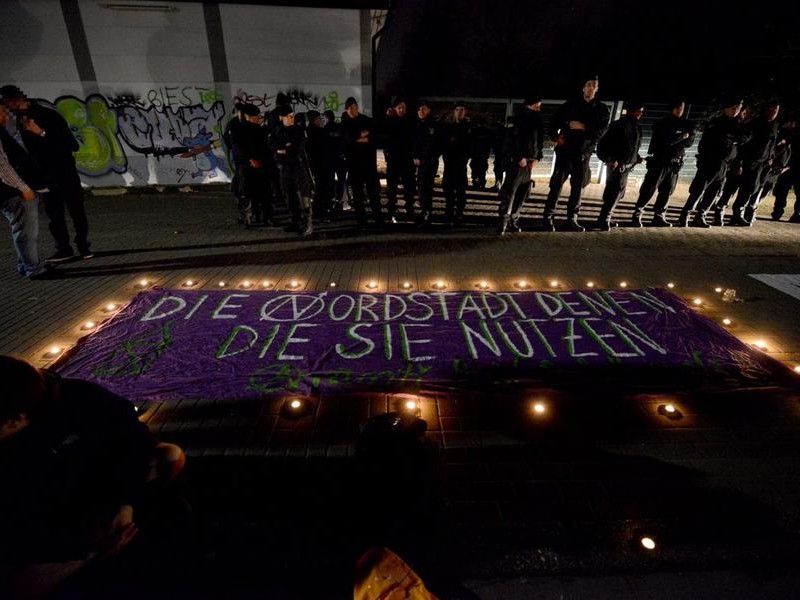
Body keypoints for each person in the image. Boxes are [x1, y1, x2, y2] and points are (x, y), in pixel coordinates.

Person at [0, 355, 185, 567]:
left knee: (169, 456)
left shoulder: (80, 398)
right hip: (50, 511)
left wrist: (124, 503)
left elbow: (134, 441)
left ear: (16, 420)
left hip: (96, 484)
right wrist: (78, 542)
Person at [0, 85, 92, 261]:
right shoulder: (15, 123)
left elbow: (72, 145)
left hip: (65, 172)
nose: (9, 108)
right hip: (44, 177)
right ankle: (63, 248)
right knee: (53, 214)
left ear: (20, 100)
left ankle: (83, 246)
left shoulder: (49, 116)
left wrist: (41, 132)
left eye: (10, 103)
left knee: (76, 210)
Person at [544, 75, 610, 231]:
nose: (590, 87)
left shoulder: (601, 109)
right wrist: (555, 136)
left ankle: (572, 219)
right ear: (583, 87)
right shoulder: (570, 105)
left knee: (577, 189)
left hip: (582, 155)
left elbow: (601, 132)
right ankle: (548, 217)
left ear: (597, 89)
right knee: (556, 186)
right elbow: (553, 122)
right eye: (588, 84)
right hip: (564, 153)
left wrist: (584, 127)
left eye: (594, 85)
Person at [679, 96, 750, 227]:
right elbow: (705, 144)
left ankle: (700, 216)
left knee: (715, 192)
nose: (736, 111)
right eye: (733, 108)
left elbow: (746, 138)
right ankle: (685, 215)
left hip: (725, 165)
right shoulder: (716, 123)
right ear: (726, 109)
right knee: (698, 190)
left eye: (738, 109)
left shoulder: (738, 125)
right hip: (710, 162)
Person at [0, 103, 52, 279]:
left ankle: (27, 263)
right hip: (12, 192)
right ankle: (34, 268)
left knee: (26, 230)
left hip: (14, 190)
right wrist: (24, 188)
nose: (5, 114)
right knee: (26, 231)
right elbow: (3, 167)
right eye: (1, 111)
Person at [630, 99, 695, 227]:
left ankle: (659, 216)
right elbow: (666, 141)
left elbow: (689, 142)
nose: (680, 109)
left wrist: (681, 138)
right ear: (672, 108)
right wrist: (681, 137)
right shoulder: (662, 123)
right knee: (649, 189)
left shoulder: (686, 124)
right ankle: (637, 214)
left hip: (675, 163)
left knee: (667, 190)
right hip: (660, 161)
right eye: (677, 107)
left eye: (682, 107)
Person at [728, 99, 781, 226]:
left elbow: (772, 145)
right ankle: (736, 214)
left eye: (776, 111)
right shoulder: (756, 124)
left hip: (762, 164)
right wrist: (739, 162)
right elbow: (744, 144)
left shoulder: (774, 126)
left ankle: (740, 213)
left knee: (753, 188)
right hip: (750, 161)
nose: (773, 113)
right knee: (745, 187)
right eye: (771, 110)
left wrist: (771, 157)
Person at [497, 96, 544, 234]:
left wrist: (538, 158)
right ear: (528, 105)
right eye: (536, 106)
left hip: (529, 163)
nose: (539, 109)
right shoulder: (516, 120)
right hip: (517, 163)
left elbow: (539, 143)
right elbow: (508, 143)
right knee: (510, 192)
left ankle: (513, 220)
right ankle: (503, 222)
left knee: (522, 193)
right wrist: (518, 157)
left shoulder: (538, 122)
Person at [595, 101, 645, 231]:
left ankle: (604, 218)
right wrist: (609, 160)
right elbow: (602, 146)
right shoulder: (618, 125)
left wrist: (637, 158)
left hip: (627, 166)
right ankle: (605, 219)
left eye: (641, 111)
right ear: (632, 111)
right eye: (639, 110)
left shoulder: (636, 127)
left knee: (618, 193)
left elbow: (632, 147)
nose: (641, 113)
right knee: (614, 192)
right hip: (617, 166)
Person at [227, 103, 274, 227]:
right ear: (248, 116)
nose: (257, 118)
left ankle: (264, 216)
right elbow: (237, 147)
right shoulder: (238, 129)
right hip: (247, 165)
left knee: (264, 193)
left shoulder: (259, 129)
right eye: (255, 116)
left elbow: (267, 147)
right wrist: (249, 159)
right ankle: (250, 217)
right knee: (248, 193)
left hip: (260, 165)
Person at [271, 105, 314, 237]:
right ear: (281, 118)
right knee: (289, 195)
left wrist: (284, 149)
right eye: (289, 116)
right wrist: (284, 148)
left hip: (298, 166)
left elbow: (297, 149)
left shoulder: (298, 130)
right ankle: (295, 220)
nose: (292, 118)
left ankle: (308, 224)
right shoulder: (278, 131)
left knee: (304, 195)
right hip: (285, 167)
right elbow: (273, 146)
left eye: (293, 116)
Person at [340, 97, 382, 227]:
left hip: (368, 163)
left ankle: (378, 219)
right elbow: (348, 139)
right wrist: (363, 135)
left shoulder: (366, 120)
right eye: (350, 108)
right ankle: (362, 221)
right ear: (347, 110)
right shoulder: (345, 123)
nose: (353, 110)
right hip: (354, 165)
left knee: (373, 193)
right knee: (358, 195)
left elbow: (374, 135)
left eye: (354, 107)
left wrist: (358, 137)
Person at [383, 96, 417, 222]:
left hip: (407, 159)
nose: (402, 110)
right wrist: (388, 117)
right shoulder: (390, 121)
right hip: (393, 159)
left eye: (403, 107)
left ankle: (409, 211)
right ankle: (392, 212)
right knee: (392, 188)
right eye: (399, 108)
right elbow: (384, 135)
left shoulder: (411, 120)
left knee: (409, 187)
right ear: (394, 109)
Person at [441, 101, 472, 224]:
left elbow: (470, 146)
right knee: (448, 190)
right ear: (454, 111)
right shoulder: (448, 127)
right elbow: (444, 144)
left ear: (465, 112)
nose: (460, 112)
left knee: (460, 191)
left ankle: (459, 213)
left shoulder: (468, 127)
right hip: (449, 164)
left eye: (462, 109)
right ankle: (448, 212)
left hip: (461, 164)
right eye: (457, 109)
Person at [412, 100, 440, 227]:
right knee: (422, 189)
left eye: (423, 109)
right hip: (421, 161)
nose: (420, 112)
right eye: (418, 109)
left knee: (425, 189)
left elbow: (431, 145)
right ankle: (425, 213)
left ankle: (427, 215)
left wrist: (421, 158)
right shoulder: (418, 124)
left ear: (428, 110)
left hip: (429, 162)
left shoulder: (432, 125)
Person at [771, 119, 800, 222]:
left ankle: (782, 213)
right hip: (787, 166)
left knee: (784, 192)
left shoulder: (789, 134)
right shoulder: (787, 134)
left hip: (791, 166)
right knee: (781, 192)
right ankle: (778, 212)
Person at [322, 109, 348, 214]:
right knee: (341, 180)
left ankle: (332, 201)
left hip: (330, 159)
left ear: (327, 118)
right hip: (340, 158)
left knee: (330, 180)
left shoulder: (325, 129)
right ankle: (339, 200)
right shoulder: (339, 128)